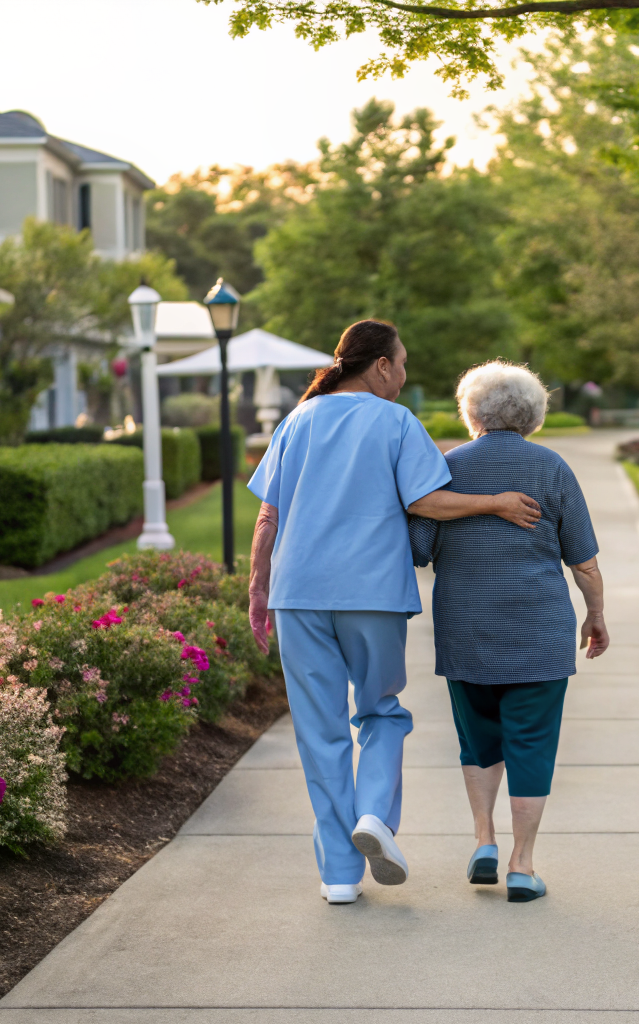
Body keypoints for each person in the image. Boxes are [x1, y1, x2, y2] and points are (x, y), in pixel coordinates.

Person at [246, 321, 542, 906]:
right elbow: (426, 501)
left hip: (298, 593)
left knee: (319, 731)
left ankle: (337, 876)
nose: (405, 377)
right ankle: (376, 818)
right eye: (401, 364)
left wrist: (258, 589)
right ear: (380, 365)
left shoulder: (296, 421)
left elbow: (267, 518)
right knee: (380, 712)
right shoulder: (395, 422)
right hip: (372, 594)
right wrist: (498, 503)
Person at [410, 360, 609, 903]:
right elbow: (584, 562)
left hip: (466, 627)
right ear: (534, 413)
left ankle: (484, 842)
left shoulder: (445, 468)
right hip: (538, 631)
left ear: (471, 412)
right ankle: (522, 866)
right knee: (532, 743)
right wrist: (595, 616)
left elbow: (418, 549)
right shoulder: (551, 468)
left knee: (478, 740)